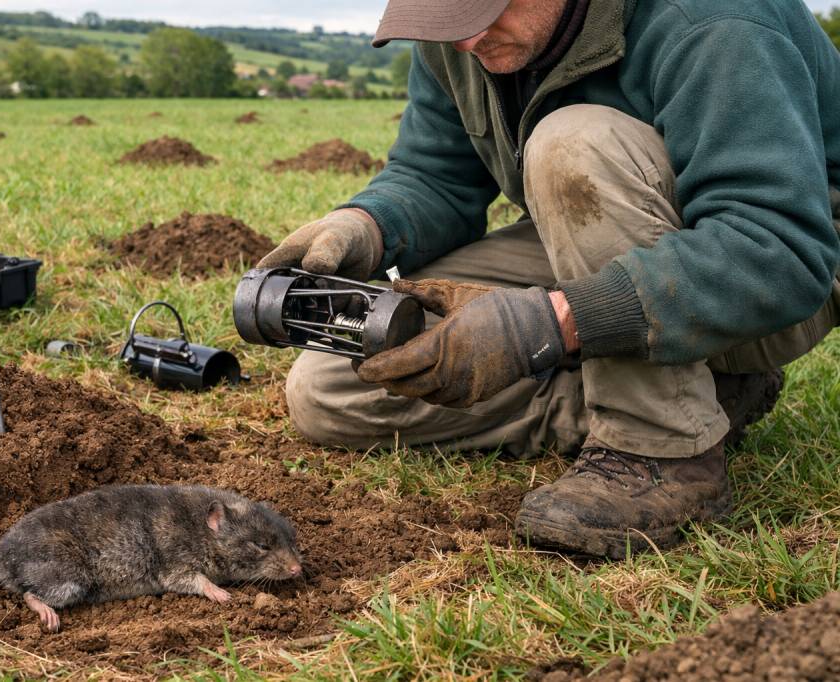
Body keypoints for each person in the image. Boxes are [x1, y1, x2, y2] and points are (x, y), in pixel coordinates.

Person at [257, 0, 840, 558]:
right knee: (333, 387)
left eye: (481, 10)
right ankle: (712, 395)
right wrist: (365, 225)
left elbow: (778, 249)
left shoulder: (717, 21)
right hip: (593, 235)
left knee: (571, 145)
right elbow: (436, 175)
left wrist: (547, 324)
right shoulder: (461, 40)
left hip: (768, 274)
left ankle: (661, 452)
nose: (466, 40)